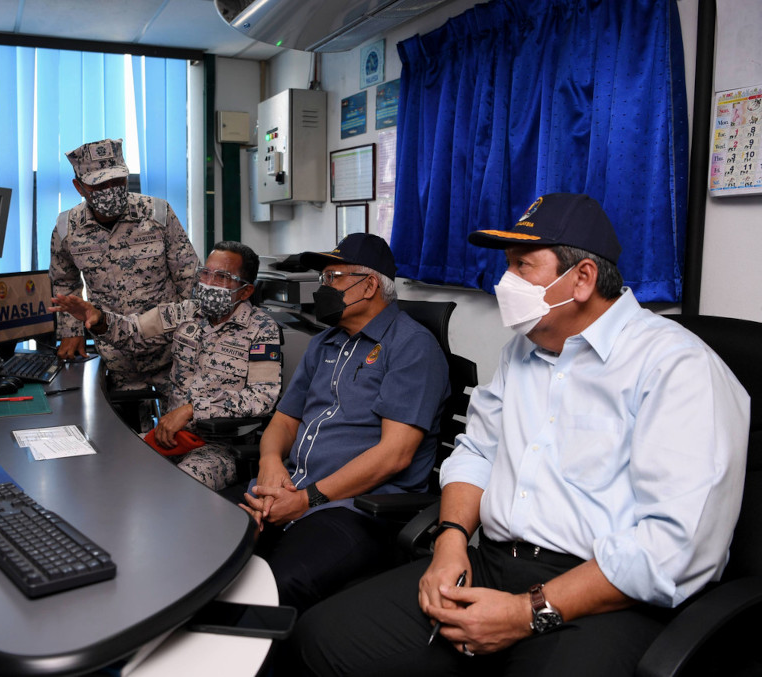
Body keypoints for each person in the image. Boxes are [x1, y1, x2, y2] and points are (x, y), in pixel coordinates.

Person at [287, 193, 750, 676]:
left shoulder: (677, 367)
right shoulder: (523, 351)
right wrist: (449, 542)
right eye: (507, 266)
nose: (505, 282)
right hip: (491, 562)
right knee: (321, 639)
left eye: (522, 266)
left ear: (583, 278)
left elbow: (673, 548)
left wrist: (524, 612)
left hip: (602, 592)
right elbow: (476, 451)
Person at [238, 233, 451, 614]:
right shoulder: (325, 343)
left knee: (274, 585)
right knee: (210, 551)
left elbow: (394, 455)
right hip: (292, 489)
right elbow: (284, 421)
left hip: (357, 509)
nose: (324, 288)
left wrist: (305, 500)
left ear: (369, 285)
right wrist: (270, 467)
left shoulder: (411, 347)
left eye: (332, 277)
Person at [52, 241, 282, 490]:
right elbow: (135, 330)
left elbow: (261, 398)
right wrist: (98, 319)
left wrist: (191, 410)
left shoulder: (262, 329)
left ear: (246, 291)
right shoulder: (187, 312)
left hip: (220, 449)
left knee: (175, 490)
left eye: (222, 277)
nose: (209, 282)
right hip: (168, 437)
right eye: (205, 273)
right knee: (105, 463)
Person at [49, 138, 199, 398]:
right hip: (115, 358)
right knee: (123, 432)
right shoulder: (67, 227)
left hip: (171, 352)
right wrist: (71, 332)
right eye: (99, 184)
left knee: (179, 432)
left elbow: (190, 280)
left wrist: (195, 338)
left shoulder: (157, 213)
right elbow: (64, 283)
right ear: (79, 186)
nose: (111, 189)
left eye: (117, 180)